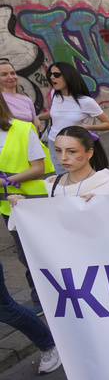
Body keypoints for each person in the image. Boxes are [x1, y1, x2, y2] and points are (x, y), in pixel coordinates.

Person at [10, 126, 109, 380]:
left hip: (103, 271)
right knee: (90, 330)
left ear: (89, 153)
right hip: (70, 274)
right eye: (58, 151)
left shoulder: (107, 184)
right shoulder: (52, 185)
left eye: (71, 151)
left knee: (106, 329)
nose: (63, 157)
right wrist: (23, 209)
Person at [0, 93, 53, 299]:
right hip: (9, 207)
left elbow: (38, 167)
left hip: (34, 203)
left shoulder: (22, 129)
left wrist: (6, 181)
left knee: (43, 252)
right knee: (25, 255)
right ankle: (39, 296)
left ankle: (50, 295)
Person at [34, 62, 109, 175]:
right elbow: (56, 113)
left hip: (74, 147)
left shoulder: (86, 102)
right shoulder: (54, 94)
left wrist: (87, 127)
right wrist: (38, 117)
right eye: (50, 74)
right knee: (61, 178)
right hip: (54, 144)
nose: (52, 77)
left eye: (56, 74)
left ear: (68, 76)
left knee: (78, 178)